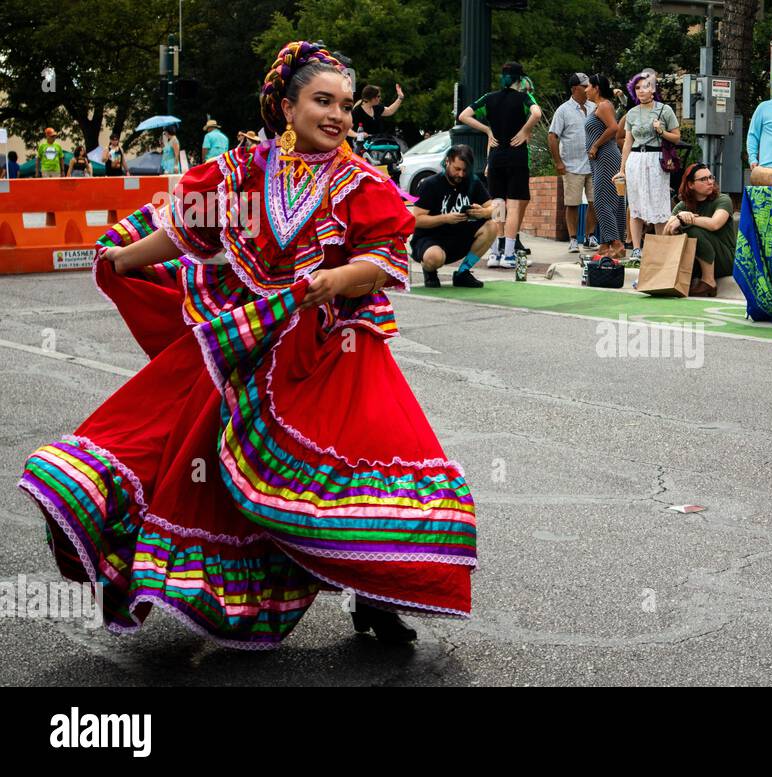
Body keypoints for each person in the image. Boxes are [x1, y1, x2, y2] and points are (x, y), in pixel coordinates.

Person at [18, 40, 477, 648]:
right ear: (287, 106)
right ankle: (209, 590)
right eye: (321, 101)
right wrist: (125, 259)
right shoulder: (240, 172)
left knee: (371, 463)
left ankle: (376, 595)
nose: (337, 115)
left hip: (337, 346)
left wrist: (334, 281)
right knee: (196, 464)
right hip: (250, 344)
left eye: (343, 104)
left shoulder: (361, 181)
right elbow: (185, 233)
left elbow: (381, 260)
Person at [458, 61, 542, 270]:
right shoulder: (524, 97)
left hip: (496, 156)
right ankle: (509, 255)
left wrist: (487, 130)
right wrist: (524, 131)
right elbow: (537, 113)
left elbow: (463, 116)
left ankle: (495, 253)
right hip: (516, 157)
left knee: (497, 205)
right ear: (520, 79)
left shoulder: (489, 98)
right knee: (513, 206)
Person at [411, 144, 495, 288]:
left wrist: (484, 212)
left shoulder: (472, 181)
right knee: (434, 258)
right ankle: (429, 271)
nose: (461, 174)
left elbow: (496, 208)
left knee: (492, 226)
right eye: (457, 169)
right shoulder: (430, 184)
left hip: (459, 237)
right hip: (431, 239)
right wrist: (445, 218)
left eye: (465, 170)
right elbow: (417, 220)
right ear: (447, 162)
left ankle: (463, 272)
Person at [620, 70, 680, 262]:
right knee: (635, 205)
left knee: (659, 203)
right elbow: (628, 142)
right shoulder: (632, 113)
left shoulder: (665, 110)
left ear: (653, 89)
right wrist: (622, 169)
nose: (640, 91)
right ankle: (636, 249)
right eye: (637, 88)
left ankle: (660, 248)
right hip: (636, 159)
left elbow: (677, 137)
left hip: (656, 159)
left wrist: (661, 131)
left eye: (645, 86)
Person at [665, 163, 735, 297]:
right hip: (696, 260)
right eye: (703, 179)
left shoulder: (723, 199)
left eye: (711, 177)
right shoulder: (682, 205)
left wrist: (686, 219)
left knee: (691, 230)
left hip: (725, 259)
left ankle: (709, 282)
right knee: (682, 230)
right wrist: (677, 221)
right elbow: (666, 233)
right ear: (691, 185)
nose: (710, 182)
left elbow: (715, 224)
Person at [549, 72, 598, 253]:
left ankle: (590, 236)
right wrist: (558, 162)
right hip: (571, 165)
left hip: (594, 164)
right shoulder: (563, 110)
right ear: (574, 89)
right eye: (584, 86)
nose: (587, 89)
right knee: (572, 203)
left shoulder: (595, 107)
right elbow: (552, 136)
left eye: (588, 86)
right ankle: (572, 239)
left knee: (595, 202)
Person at [585, 73, 626, 258]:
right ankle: (604, 245)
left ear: (596, 88)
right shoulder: (598, 107)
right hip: (599, 158)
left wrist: (595, 145)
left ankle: (616, 243)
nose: (586, 90)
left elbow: (614, 128)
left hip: (606, 156)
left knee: (601, 201)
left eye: (588, 86)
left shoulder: (604, 105)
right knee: (610, 200)